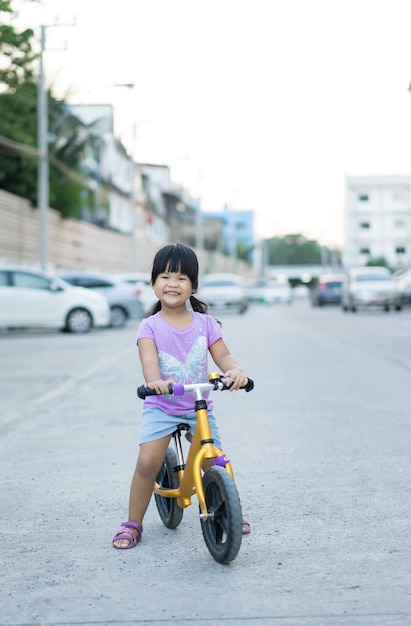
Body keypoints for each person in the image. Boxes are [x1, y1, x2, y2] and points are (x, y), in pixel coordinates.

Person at [112, 243, 251, 549]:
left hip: (197, 404)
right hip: (162, 405)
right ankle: (133, 523)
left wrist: (235, 371)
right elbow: (149, 360)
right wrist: (155, 381)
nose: (172, 284)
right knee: (148, 461)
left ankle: (229, 507)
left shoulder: (205, 323)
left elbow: (224, 357)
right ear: (153, 283)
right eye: (165, 276)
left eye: (181, 278)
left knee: (214, 460)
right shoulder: (149, 326)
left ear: (194, 286)